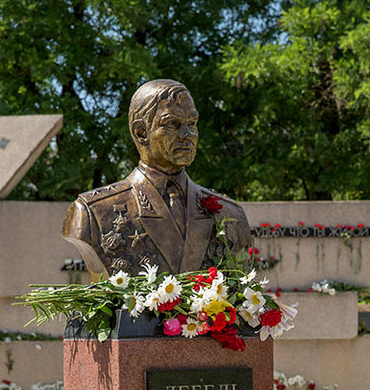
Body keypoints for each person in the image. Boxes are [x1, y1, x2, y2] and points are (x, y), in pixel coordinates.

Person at [62, 78, 250, 280]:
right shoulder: (93, 213)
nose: (187, 135)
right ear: (141, 132)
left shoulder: (230, 214)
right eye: (172, 124)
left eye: (192, 124)